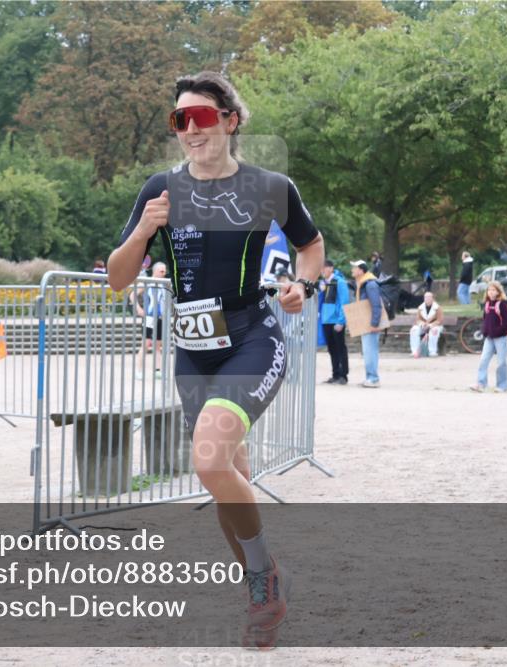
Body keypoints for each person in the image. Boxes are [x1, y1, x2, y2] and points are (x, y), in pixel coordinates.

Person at [107, 71, 324, 650]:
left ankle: (262, 577)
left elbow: (311, 244)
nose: (191, 129)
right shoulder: (160, 189)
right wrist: (143, 233)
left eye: (202, 116)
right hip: (194, 351)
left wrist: (303, 284)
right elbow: (116, 278)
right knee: (230, 478)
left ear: (230, 120)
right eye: (180, 120)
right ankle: (264, 584)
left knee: (207, 460)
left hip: (254, 337)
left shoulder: (270, 187)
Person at [470, 281, 507, 393]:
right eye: (489, 290)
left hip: (500, 338)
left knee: (501, 362)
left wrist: (499, 331)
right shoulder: (487, 304)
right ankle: (481, 383)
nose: (491, 292)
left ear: (498, 292)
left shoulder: (502, 304)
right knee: (483, 360)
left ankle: (503, 385)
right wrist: (485, 331)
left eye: (493, 290)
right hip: (489, 338)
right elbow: (486, 319)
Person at [350, 259, 382, 388]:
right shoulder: (363, 283)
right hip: (366, 323)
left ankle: (373, 379)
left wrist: (374, 324)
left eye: (354, 268)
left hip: (370, 325)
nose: (352, 270)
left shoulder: (370, 284)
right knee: (367, 351)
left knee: (370, 351)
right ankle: (370, 377)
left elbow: (376, 305)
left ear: (361, 270)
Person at [319, 259, 350, 384]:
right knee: (331, 349)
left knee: (340, 348)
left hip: (336, 320)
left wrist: (341, 321)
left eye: (324, 268)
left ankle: (344, 375)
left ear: (330, 268)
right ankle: (335, 374)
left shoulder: (339, 282)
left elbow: (344, 302)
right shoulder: (323, 283)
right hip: (326, 320)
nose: (322, 271)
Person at [136, 261, 169, 376]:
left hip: (160, 318)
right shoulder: (147, 282)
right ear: (155, 271)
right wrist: (138, 308)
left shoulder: (164, 283)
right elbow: (132, 294)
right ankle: (139, 371)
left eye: (165, 271)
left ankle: (158, 371)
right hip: (149, 317)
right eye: (162, 271)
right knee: (145, 344)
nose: (164, 273)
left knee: (158, 346)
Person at [410, 291, 444, 358]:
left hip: (435, 326)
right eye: (426, 297)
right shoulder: (420, 308)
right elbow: (418, 319)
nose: (427, 299)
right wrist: (421, 324)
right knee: (414, 330)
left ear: (432, 298)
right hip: (423, 326)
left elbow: (439, 320)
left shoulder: (438, 308)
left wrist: (431, 325)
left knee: (434, 331)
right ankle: (415, 351)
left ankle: (432, 351)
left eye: (429, 297)